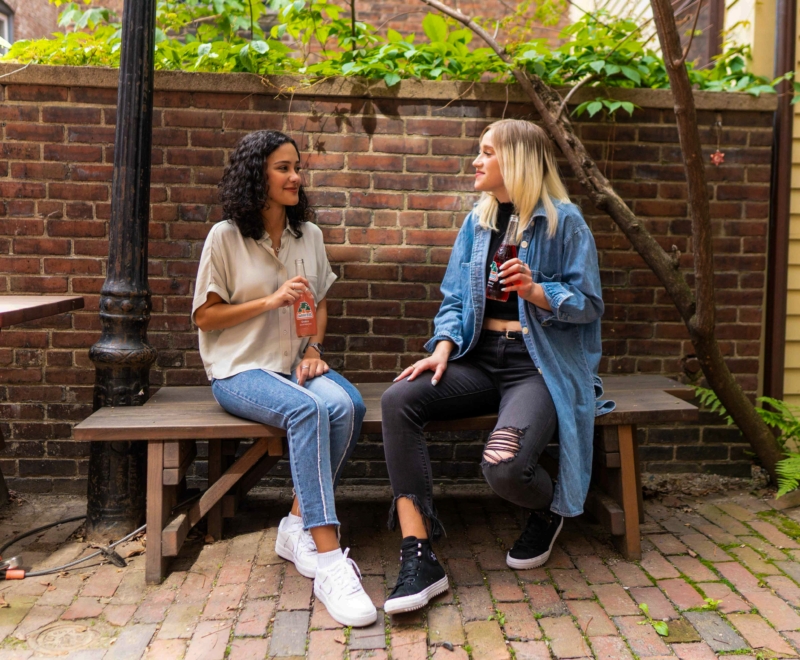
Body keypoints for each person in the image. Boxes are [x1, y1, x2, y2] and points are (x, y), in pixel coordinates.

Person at [380, 119, 614, 615]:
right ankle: (418, 553)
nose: (476, 161)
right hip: (478, 360)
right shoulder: (478, 222)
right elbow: (452, 298)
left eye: (487, 152)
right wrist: (443, 343)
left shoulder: (565, 222)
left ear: (518, 161)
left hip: (538, 366)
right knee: (398, 399)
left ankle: (549, 508)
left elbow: (590, 304)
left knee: (504, 469)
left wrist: (537, 291)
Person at [191, 130, 376, 627]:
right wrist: (270, 301)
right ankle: (330, 557)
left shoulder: (308, 235)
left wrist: (314, 348)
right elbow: (206, 318)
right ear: (258, 175)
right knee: (309, 408)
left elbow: (321, 304)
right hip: (239, 369)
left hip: (294, 365)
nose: (296, 176)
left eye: (297, 166)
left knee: (349, 405)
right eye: (282, 168)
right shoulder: (225, 237)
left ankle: (295, 523)